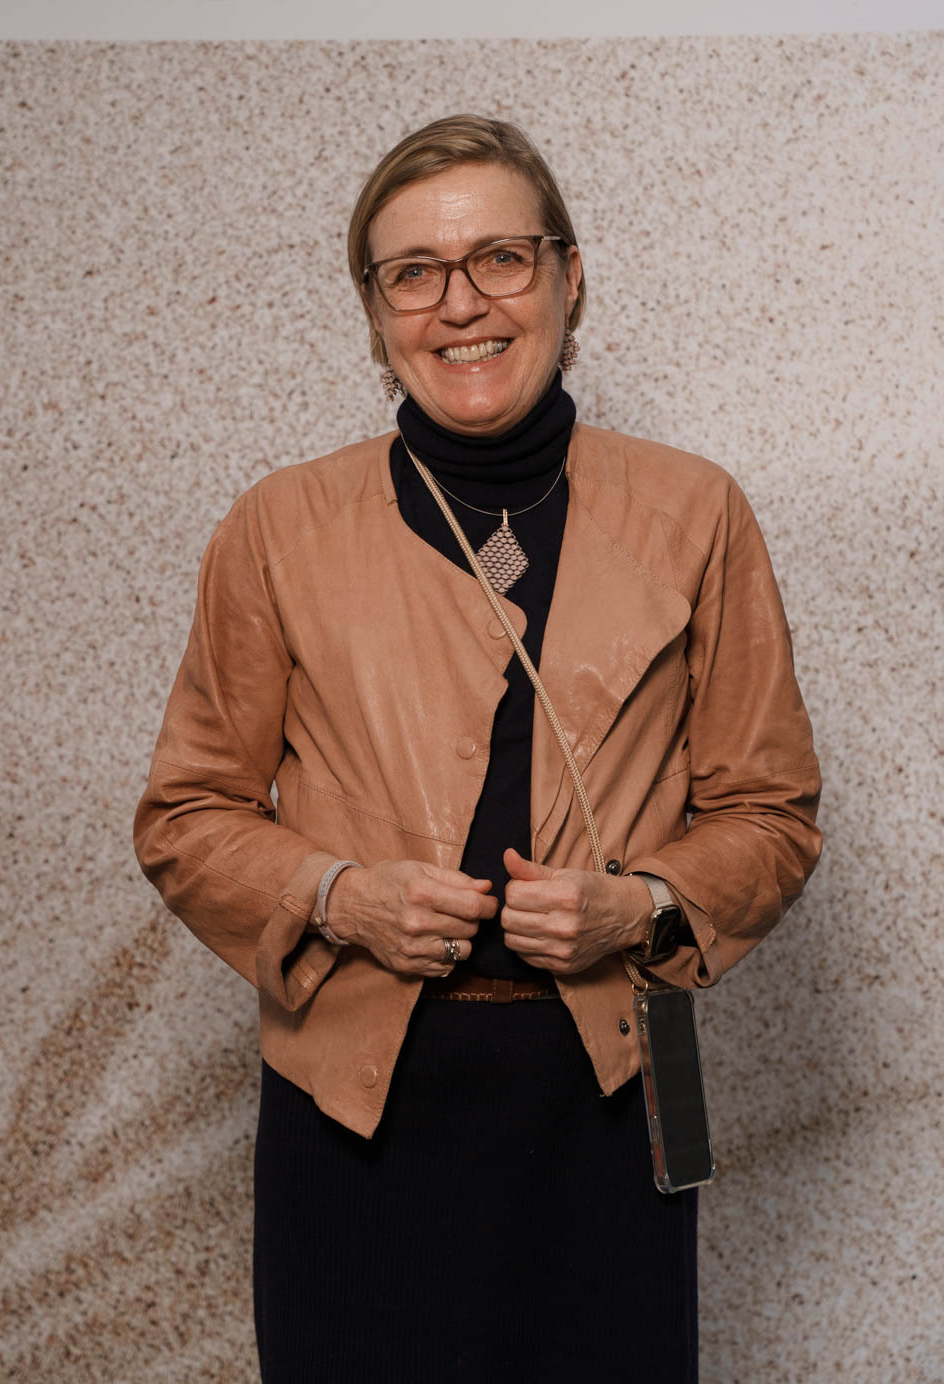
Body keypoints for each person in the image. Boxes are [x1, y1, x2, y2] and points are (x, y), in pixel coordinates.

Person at [134, 114, 821, 1383]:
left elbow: (770, 813)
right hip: (352, 1105)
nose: (460, 304)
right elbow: (186, 816)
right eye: (413, 272)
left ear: (569, 277)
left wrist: (643, 902)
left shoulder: (695, 512)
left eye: (499, 257)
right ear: (373, 308)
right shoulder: (277, 526)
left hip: (611, 1092)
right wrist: (337, 894)